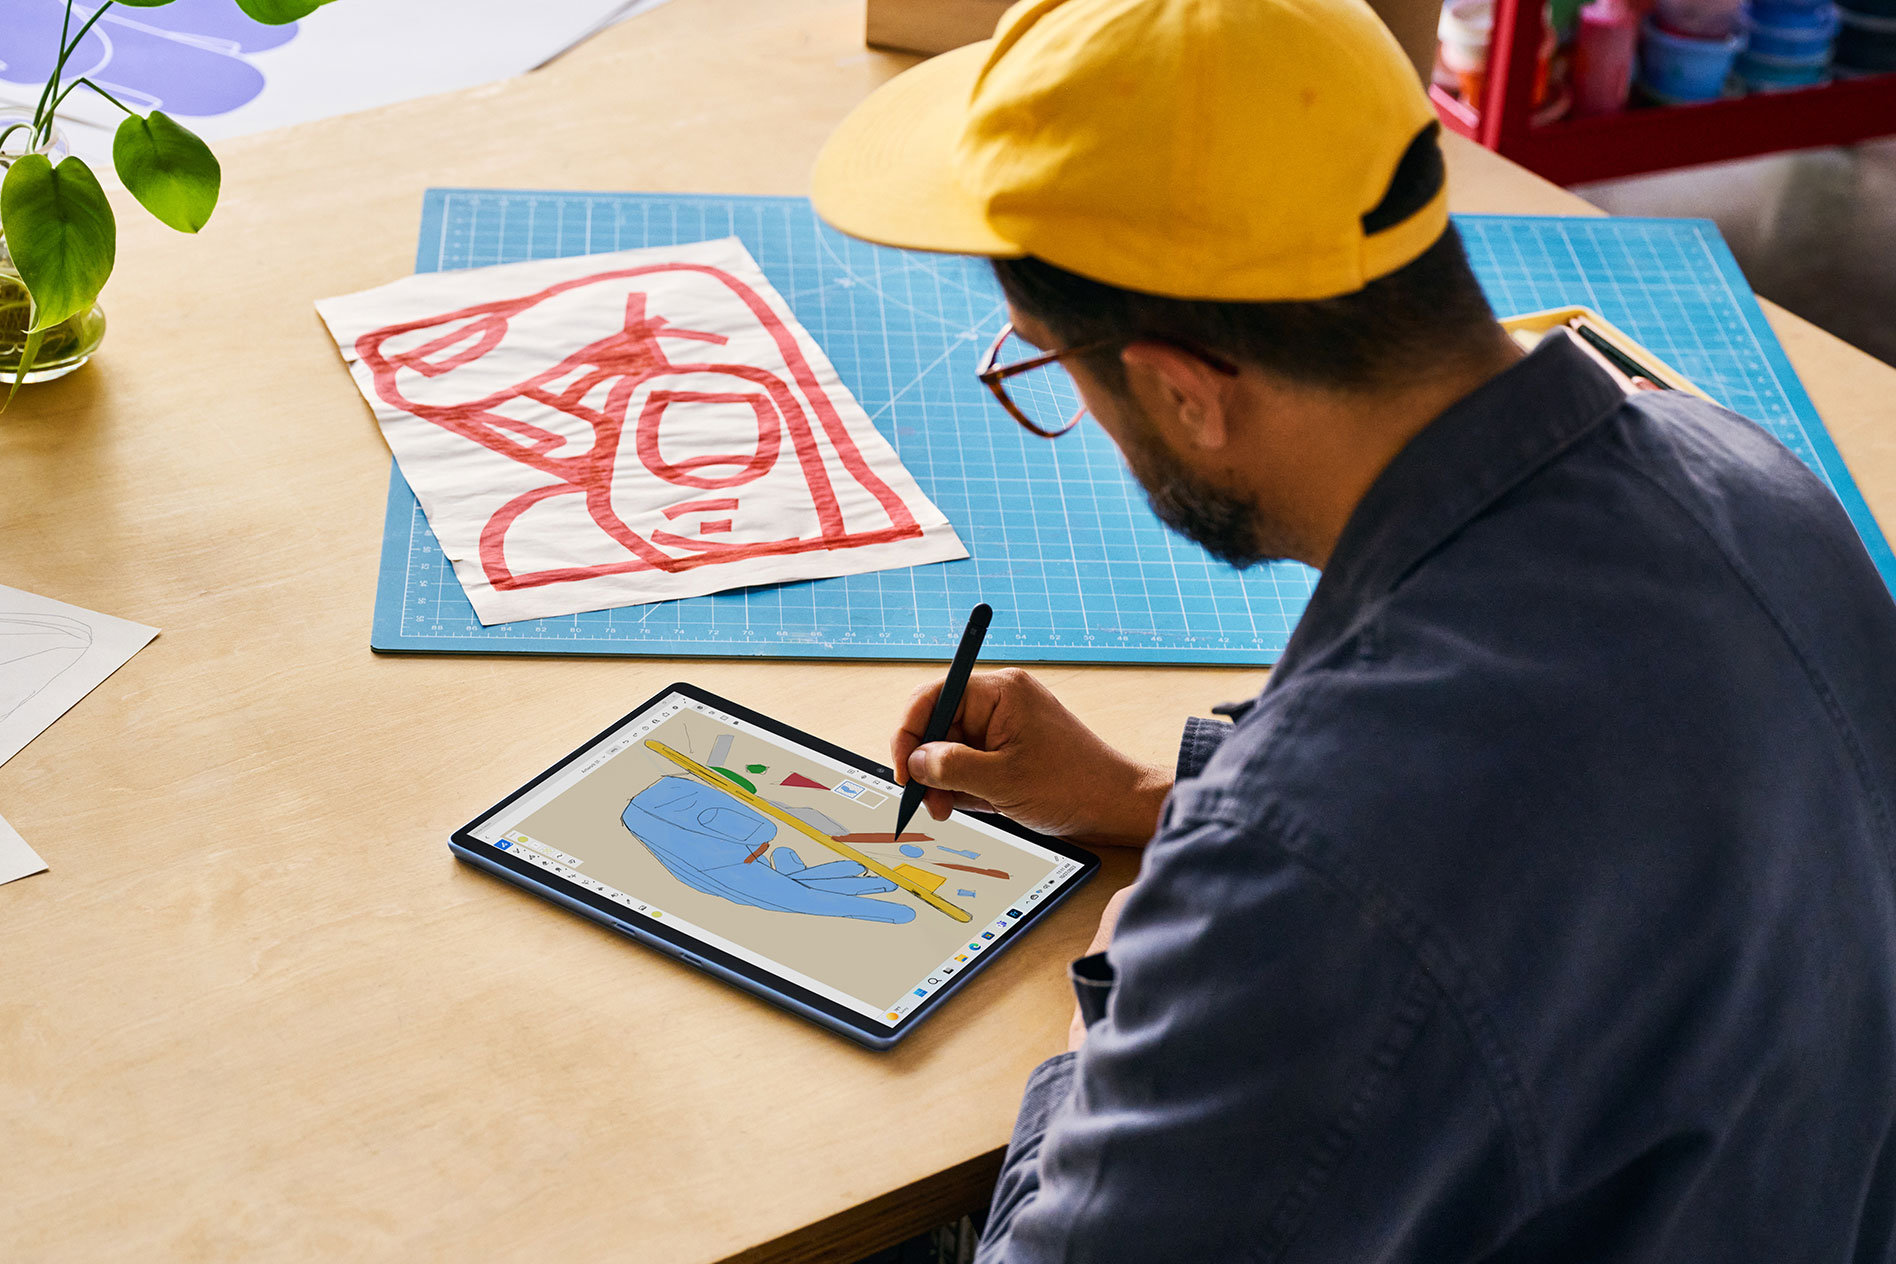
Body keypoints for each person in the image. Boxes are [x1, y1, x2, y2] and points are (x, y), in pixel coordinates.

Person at [811, 0, 1896, 1258]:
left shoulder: (1306, 875)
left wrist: (1117, 1011)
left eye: (1050, 366)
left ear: (1183, 389)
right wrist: (1148, 798)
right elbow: (1556, 863)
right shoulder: (1748, 480)